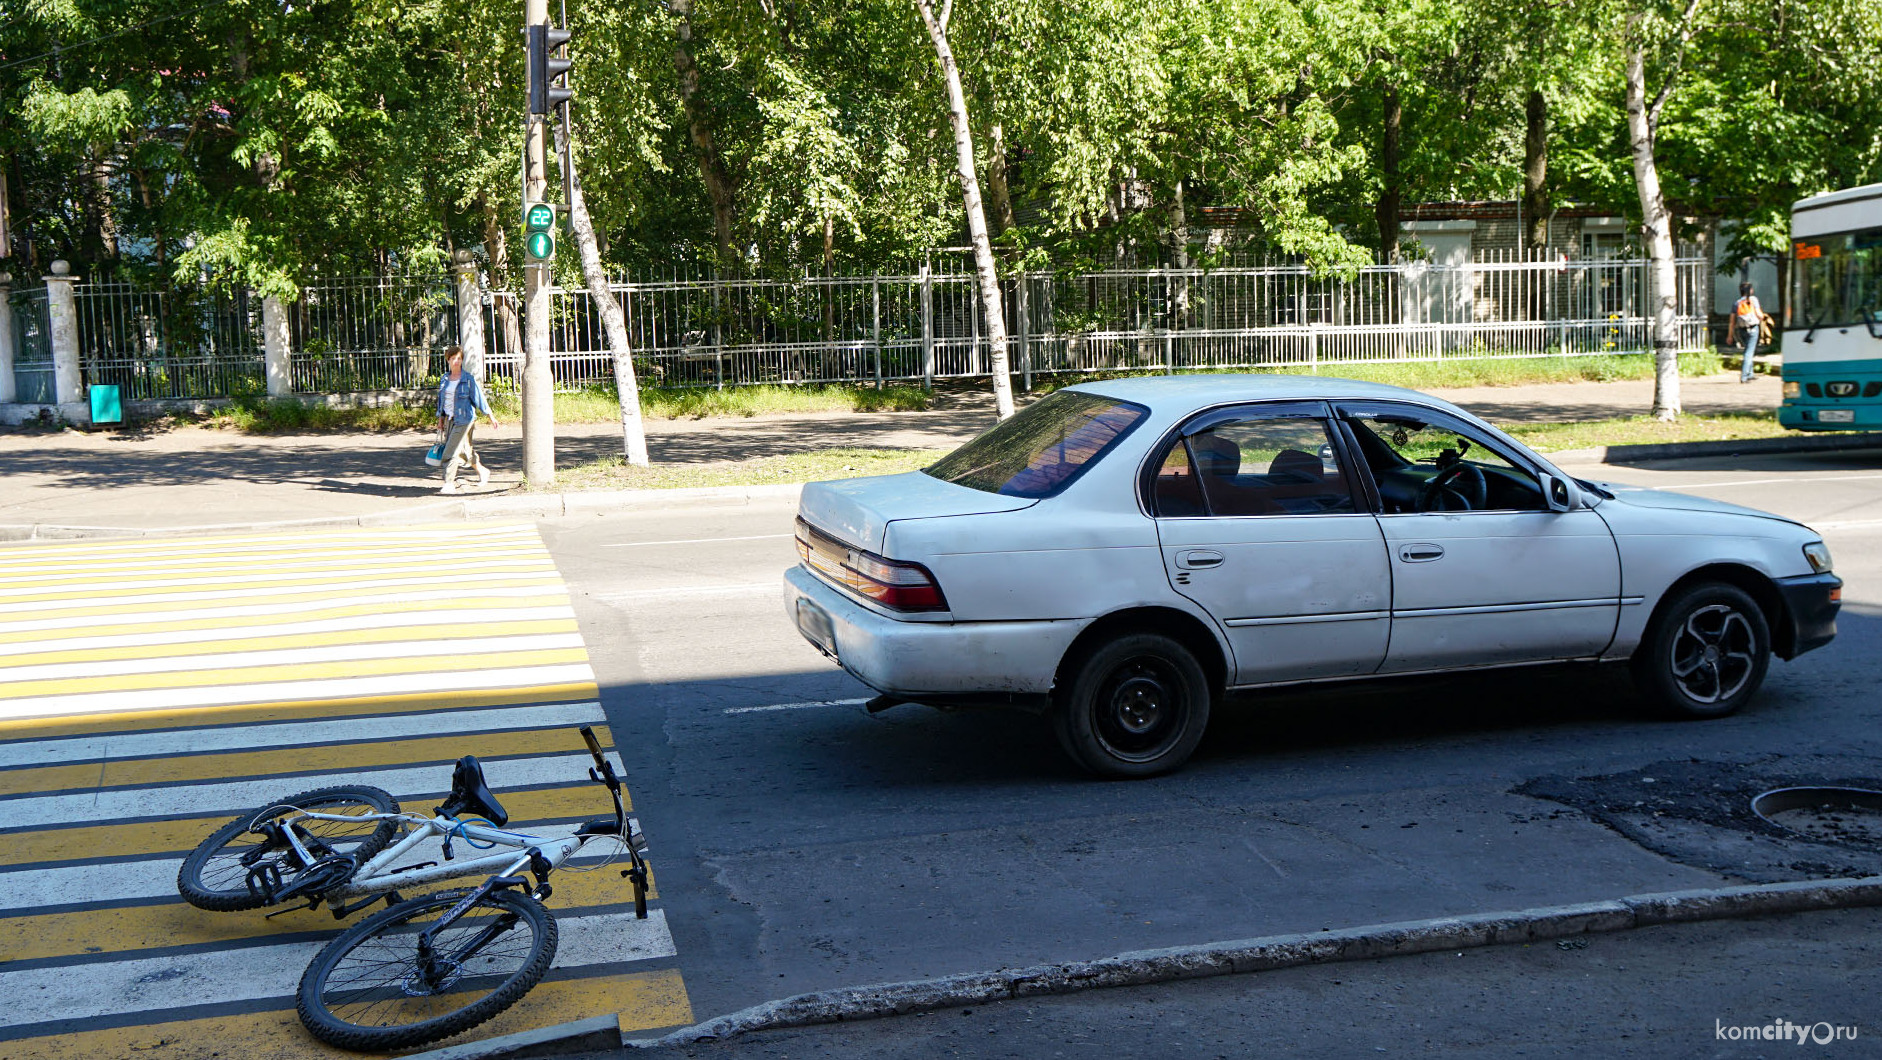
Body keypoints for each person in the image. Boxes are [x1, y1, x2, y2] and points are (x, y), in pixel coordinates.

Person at [435, 346, 500, 494]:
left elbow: (479, 398)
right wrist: (440, 420)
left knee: (450, 451)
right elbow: (441, 401)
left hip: (465, 420)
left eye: (459, 358)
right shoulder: (444, 379)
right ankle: (483, 471)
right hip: (450, 420)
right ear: (448, 360)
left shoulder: (468, 379)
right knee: (464, 451)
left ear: (462, 360)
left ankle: (449, 483)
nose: (456, 361)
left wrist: (491, 416)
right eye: (453, 359)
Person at [1727, 281, 1765, 383]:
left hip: (1742, 330)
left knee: (1748, 350)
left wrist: (1730, 336)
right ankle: (1744, 376)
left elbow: (1731, 322)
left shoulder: (1736, 303)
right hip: (1753, 329)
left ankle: (1750, 374)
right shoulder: (1753, 300)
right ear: (1751, 290)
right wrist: (1763, 317)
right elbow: (1759, 315)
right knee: (1749, 352)